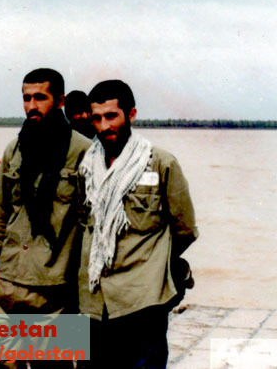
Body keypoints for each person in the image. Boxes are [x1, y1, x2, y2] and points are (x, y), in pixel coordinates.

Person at [77, 79, 198, 369]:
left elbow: (185, 230)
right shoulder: (86, 166)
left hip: (142, 301)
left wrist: (154, 266)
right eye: (97, 118)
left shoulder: (161, 164)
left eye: (111, 116)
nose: (104, 126)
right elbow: (84, 225)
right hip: (93, 301)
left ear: (131, 114)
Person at [0, 68, 92, 369]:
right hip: (10, 280)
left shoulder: (83, 152)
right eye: (26, 98)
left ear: (60, 101)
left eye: (40, 97)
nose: (31, 106)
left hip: (56, 287)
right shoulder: (15, 148)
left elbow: (91, 225)